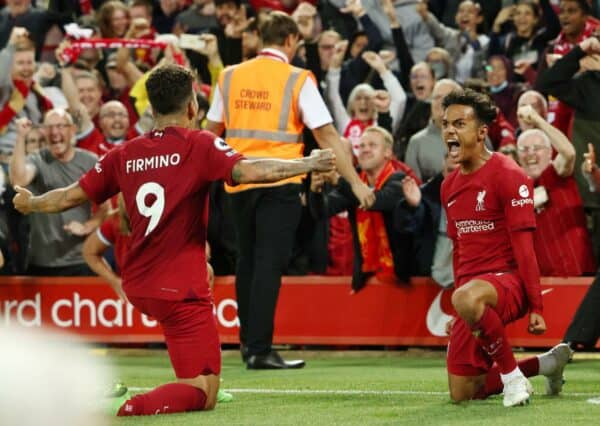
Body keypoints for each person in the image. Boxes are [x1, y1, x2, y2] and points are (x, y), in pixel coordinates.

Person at [13, 63, 336, 417]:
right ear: (192, 107)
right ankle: (119, 404)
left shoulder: (125, 153)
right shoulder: (198, 144)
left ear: (151, 108)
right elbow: (251, 171)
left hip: (140, 281)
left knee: (194, 372)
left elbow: (68, 197)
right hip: (179, 287)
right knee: (205, 392)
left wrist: (31, 203)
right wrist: (308, 163)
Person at [206, 11, 374, 370]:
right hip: (280, 182)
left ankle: (250, 346)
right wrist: (355, 182)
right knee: (268, 264)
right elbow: (326, 134)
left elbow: (210, 131)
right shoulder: (297, 78)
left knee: (247, 262)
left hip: (238, 182)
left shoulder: (230, 75)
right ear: (290, 41)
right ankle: (261, 349)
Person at [440, 89, 571, 406]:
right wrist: (463, 307)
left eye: (459, 123)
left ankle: (514, 379)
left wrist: (537, 307)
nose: (449, 131)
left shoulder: (509, 175)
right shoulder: (448, 186)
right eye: (445, 124)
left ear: (482, 132)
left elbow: (525, 249)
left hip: (509, 282)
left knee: (467, 295)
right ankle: (546, 365)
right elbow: (459, 250)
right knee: (464, 393)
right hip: (471, 292)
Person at [309, 126, 418, 292]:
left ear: (387, 153)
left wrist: (339, 181)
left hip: (403, 277)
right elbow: (322, 211)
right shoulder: (356, 183)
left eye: (372, 145)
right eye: (361, 146)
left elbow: (374, 201)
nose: (365, 150)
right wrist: (315, 191)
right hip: (366, 277)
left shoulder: (399, 180)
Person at [9, 112, 105, 276]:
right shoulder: (37, 160)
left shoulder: (90, 162)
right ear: (43, 132)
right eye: (49, 127)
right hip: (41, 262)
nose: (54, 132)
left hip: (80, 261)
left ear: (73, 130)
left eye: (60, 126)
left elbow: (106, 208)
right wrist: (20, 137)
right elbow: (18, 179)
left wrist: (87, 226)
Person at [515, 105, 595, 276]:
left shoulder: (556, 173)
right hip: (542, 282)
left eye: (537, 148)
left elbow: (568, 153)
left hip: (578, 274)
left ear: (550, 152)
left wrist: (537, 120)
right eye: (524, 149)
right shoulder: (514, 190)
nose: (531, 154)